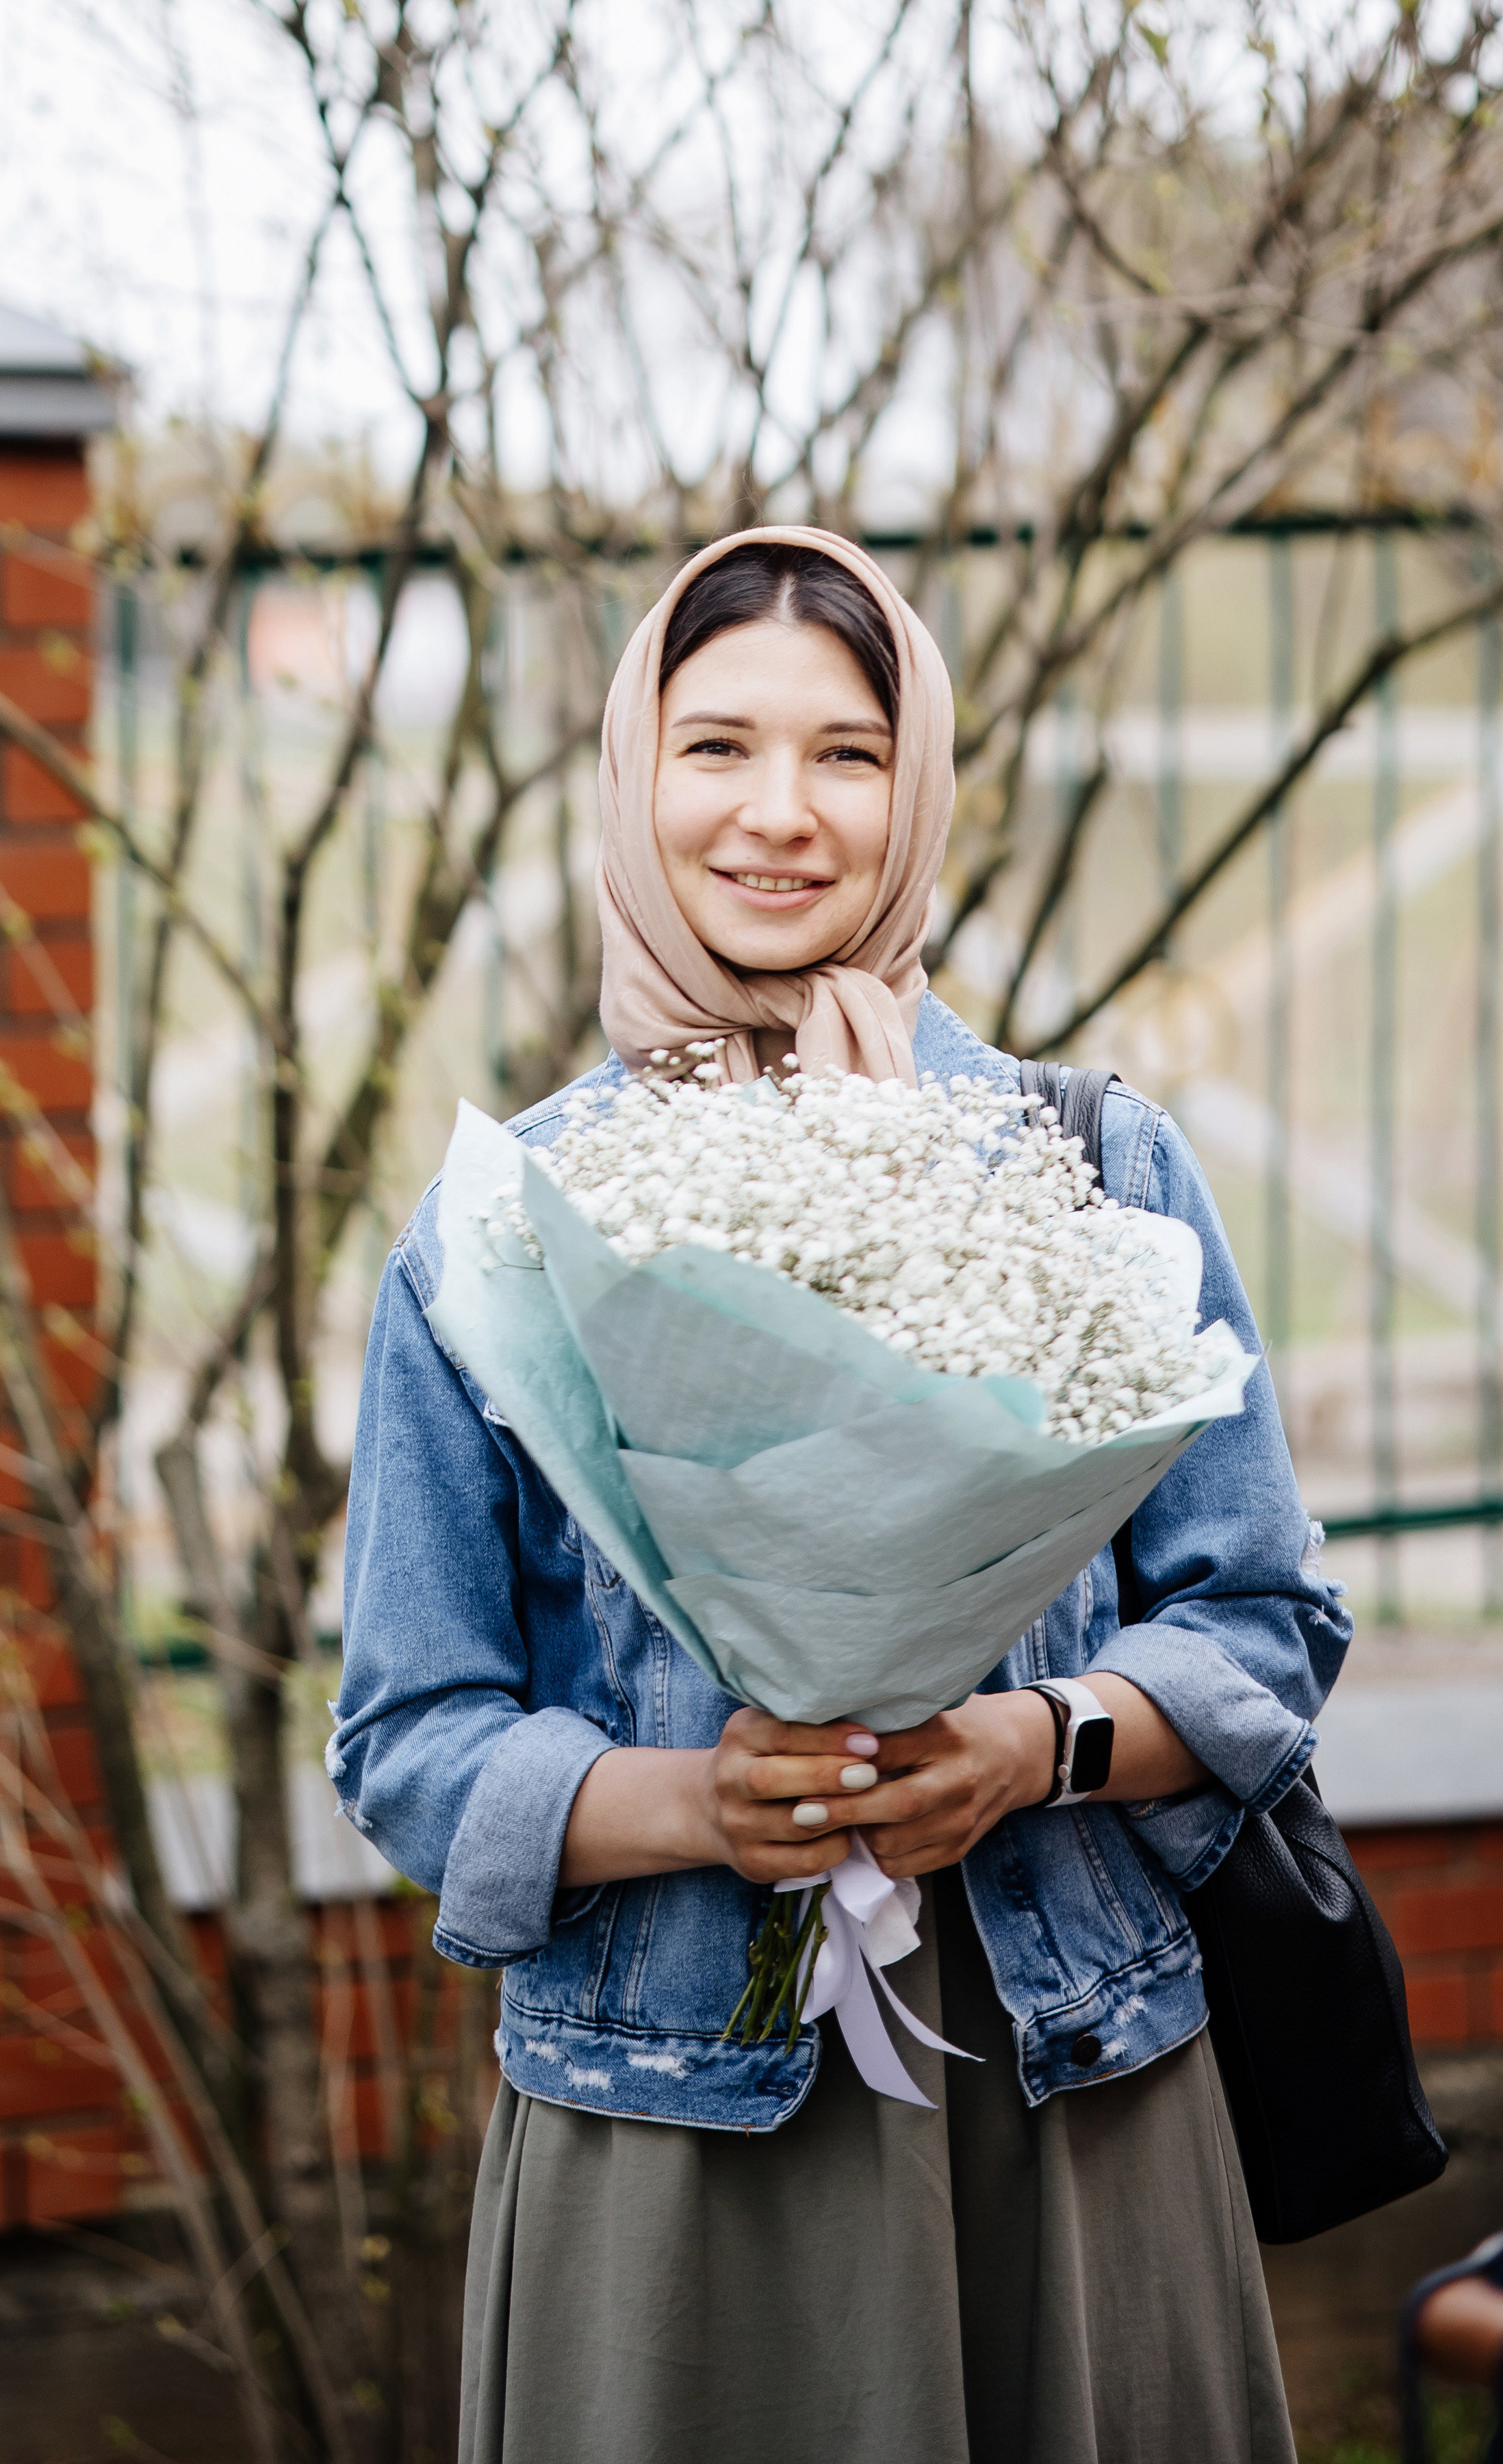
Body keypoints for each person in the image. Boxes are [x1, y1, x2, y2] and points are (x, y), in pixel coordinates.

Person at [332, 527, 1352, 2464]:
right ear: (632, 776)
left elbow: (1264, 1622)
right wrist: (703, 1805)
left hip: (1071, 2096)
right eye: (717, 747)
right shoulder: (501, 1239)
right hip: (670, 2142)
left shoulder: (1095, 1166)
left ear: (921, 787)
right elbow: (407, 1737)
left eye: (850, 755)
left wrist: (1033, 1747)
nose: (782, 814)